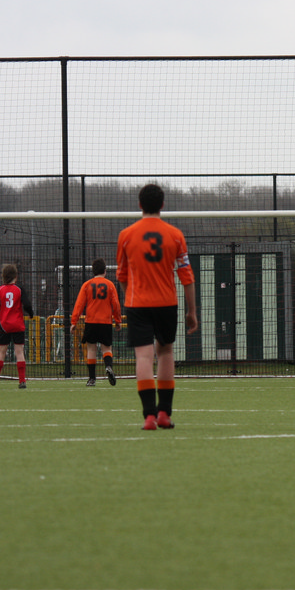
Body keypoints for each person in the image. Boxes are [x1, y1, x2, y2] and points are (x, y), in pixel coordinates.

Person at [116, 184, 198, 430]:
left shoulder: (126, 235)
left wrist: (129, 297)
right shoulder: (175, 235)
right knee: (165, 353)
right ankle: (164, 414)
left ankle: (149, 417)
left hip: (137, 304)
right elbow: (187, 277)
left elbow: (121, 275)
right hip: (167, 303)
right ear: (162, 205)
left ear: (140, 205)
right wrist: (192, 311)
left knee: (143, 356)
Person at [70, 258, 122, 387]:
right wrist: (118, 320)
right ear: (105, 271)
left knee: (91, 349)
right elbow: (116, 304)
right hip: (106, 321)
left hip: (91, 321)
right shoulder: (110, 285)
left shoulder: (87, 285)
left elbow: (79, 304)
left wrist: (74, 321)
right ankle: (108, 366)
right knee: (107, 348)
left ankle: (92, 378)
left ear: (93, 271)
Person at [0, 263, 34, 389]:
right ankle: (22, 381)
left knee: (1, 352)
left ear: (3, 276)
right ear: (15, 276)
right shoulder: (19, 289)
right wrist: (31, 314)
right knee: (19, 352)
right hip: (18, 325)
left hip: (4, 325)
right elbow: (27, 304)